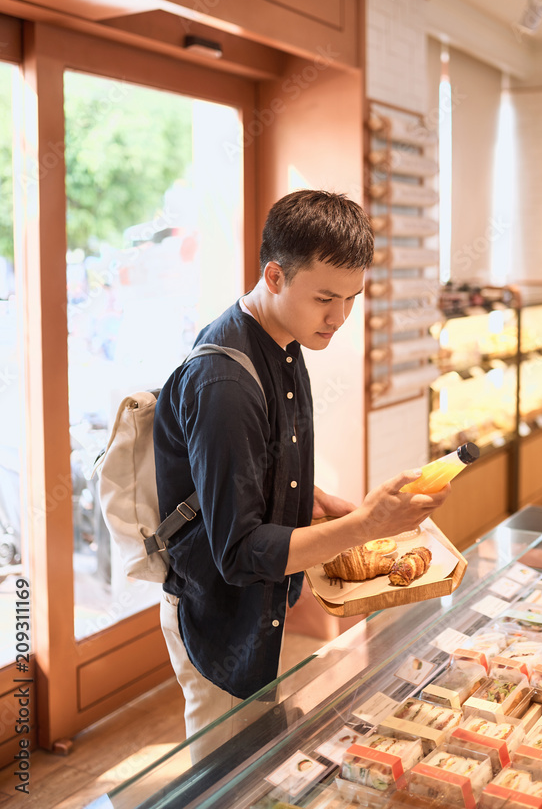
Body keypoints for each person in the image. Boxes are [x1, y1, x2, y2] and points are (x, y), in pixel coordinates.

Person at [154, 189, 450, 749]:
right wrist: (364, 527)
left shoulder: (285, 339)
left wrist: (320, 503)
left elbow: (251, 466)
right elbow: (239, 552)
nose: (339, 317)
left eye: (352, 298)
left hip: (258, 611)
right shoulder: (225, 383)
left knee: (259, 757)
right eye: (325, 298)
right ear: (274, 276)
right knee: (227, 779)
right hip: (219, 616)